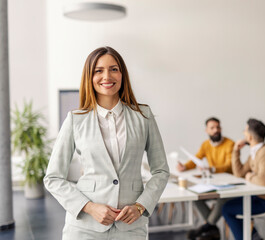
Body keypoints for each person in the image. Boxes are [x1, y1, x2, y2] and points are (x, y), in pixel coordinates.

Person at [43, 46, 170, 240]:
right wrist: (90, 207)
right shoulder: (75, 119)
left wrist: (140, 205)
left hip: (131, 227)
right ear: (90, 76)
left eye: (114, 69)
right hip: (85, 226)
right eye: (98, 70)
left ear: (122, 74)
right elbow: (53, 178)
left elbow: (161, 171)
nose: (107, 76)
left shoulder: (143, 116)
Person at [222, 118, 265, 240]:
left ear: (250, 137)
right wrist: (236, 151)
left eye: (245, 131)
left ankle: (250, 237)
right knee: (227, 205)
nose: (243, 134)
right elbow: (239, 173)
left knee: (227, 209)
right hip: (260, 196)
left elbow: (264, 181)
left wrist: (250, 176)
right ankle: (254, 236)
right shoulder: (255, 153)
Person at [177, 117, 234, 240]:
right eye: (212, 128)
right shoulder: (205, 145)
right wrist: (185, 166)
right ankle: (212, 228)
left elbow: (229, 165)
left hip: (229, 185)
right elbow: (196, 158)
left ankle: (205, 227)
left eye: (218, 127)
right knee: (194, 196)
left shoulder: (230, 144)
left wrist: (212, 169)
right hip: (213, 183)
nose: (216, 130)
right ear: (206, 131)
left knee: (222, 199)